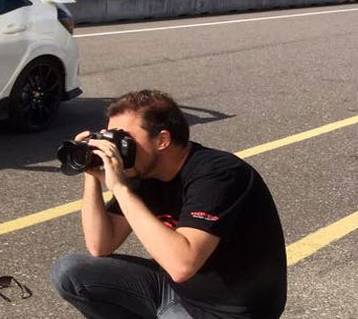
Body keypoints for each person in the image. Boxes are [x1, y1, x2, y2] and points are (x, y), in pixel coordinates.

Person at [50, 90, 286, 318]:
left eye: (124, 138)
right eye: (111, 137)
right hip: (175, 290)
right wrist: (91, 173)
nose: (115, 148)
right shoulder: (143, 172)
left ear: (163, 139)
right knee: (71, 271)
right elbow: (100, 245)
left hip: (226, 311)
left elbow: (182, 266)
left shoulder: (219, 174)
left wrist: (120, 188)